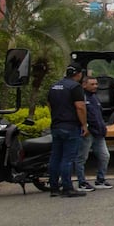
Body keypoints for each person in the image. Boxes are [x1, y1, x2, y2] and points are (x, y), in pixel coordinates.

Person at [47, 66, 88, 198]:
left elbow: (49, 104)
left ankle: (54, 187)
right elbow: (80, 107)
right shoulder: (75, 87)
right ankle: (67, 187)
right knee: (68, 159)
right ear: (79, 74)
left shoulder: (54, 86)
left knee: (55, 157)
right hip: (70, 126)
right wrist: (84, 124)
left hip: (56, 125)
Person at [75, 77, 112, 191]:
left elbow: (98, 115)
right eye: (92, 84)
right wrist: (84, 126)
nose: (95, 86)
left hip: (98, 132)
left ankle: (100, 179)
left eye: (96, 84)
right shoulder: (82, 98)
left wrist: (103, 128)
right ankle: (82, 182)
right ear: (84, 85)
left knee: (105, 156)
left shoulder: (95, 98)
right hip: (88, 132)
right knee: (81, 158)